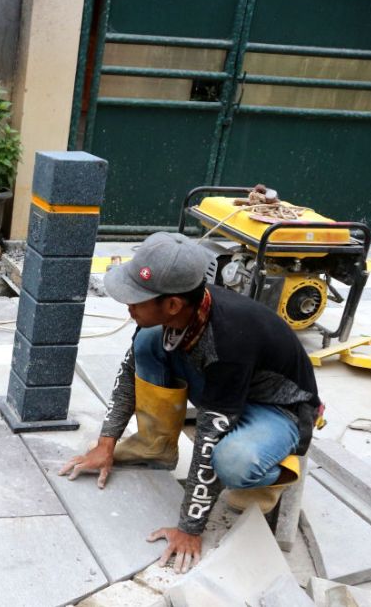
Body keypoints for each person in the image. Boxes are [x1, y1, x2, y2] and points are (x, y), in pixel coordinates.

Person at [59, 232, 321, 573]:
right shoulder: (171, 316)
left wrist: (189, 530)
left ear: (171, 304)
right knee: (147, 345)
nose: (129, 306)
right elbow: (130, 373)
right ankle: (157, 448)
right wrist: (105, 444)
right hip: (230, 387)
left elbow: (209, 437)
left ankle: (275, 469)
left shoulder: (228, 339)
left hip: (278, 408)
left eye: (137, 300)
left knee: (232, 463)